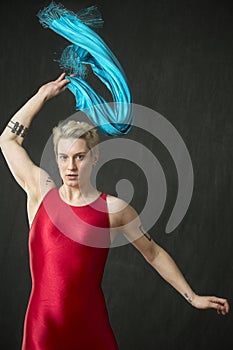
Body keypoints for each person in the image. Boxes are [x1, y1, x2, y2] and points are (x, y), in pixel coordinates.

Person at [0, 73, 229, 350]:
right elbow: (8, 141)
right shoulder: (40, 193)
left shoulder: (113, 208)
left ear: (94, 158)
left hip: (91, 328)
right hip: (43, 328)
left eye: (79, 156)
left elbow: (153, 252)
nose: (70, 166)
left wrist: (192, 296)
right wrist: (42, 96)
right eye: (63, 157)